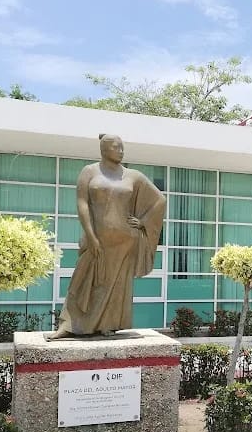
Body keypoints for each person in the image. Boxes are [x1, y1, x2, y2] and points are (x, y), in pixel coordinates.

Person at [49, 134, 165, 338]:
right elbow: (82, 203)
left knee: (115, 286)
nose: (121, 151)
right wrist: (90, 235)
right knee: (82, 281)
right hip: (97, 239)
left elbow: (159, 200)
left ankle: (107, 325)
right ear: (104, 149)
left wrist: (143, 222)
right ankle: (67, 326)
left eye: (122, 147)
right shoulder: (90, 171)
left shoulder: (133, 176)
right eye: (116, 147)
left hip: (124, 241)